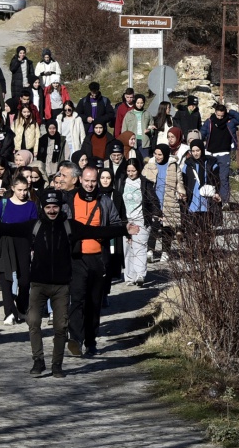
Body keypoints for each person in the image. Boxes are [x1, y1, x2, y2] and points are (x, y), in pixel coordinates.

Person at [0, 188, 118, 377]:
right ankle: (38, 361)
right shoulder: (34, 225)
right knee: (33, 321)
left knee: (60, 326)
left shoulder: (70, 226)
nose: (52, 211)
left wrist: (125, 229)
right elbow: (6, 228)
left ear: (61, 207)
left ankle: (57, 365)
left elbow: (98, 230)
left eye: (55, 207)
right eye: (48, 207)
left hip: (61, 287)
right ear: (43, 207)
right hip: (38, 285)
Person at [68, 164, 130, 357]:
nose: (90, 184)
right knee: (77, 300)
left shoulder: (105, 201)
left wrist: (108, 234)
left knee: (93, 302)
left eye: (93, 181)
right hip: (77, 258)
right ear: (80, 180)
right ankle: (75, 339)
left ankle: (91, 341)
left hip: (98, 258)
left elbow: (116, 223)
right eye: (86, 180)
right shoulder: (69, 201)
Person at [0, 174, 38, 326]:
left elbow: (35, 228)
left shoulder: (31, 206)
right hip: (5, 243)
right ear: (13, 188)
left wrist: (34, 247)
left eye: (25, 190)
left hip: (23, 244)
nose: (23, 193)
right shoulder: (3, 203)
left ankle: (22, 306)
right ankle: (9, 312)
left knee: (24, 280)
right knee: (6, 279)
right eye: (20, 190)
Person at [112, 156, 157, 285]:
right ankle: (130, 276)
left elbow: (153, 200)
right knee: (127, 249)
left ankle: (140, 275)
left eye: (133, 171)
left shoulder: (145, 183)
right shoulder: (121, 182)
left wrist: (156, 213)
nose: (131, 173)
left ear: (139, 170)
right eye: (128, 171)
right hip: (126, 220)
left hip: (141, 219)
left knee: (139, 247)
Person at [200, 102, 239, 207]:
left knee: (223, 177)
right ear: (215, 112)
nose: (220, 118)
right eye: (218, 115)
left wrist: (230, 112)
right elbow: (202, 133)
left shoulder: (230, 121)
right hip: (210, 153)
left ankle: (224, 201)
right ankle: (209, 199)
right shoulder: (209, 122)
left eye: (222, 115)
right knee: (208, 176)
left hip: (224, 153)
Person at [142, 143, 181, 263]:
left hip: (168, 200)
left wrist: (181, 192)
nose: (158, 156)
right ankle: (150, 250)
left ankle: (165, 251)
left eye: (160, 154)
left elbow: (179, 181)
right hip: (154, 200)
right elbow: (143, 182)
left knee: (167, 228)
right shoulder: (150, 165)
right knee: (154, 226)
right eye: (156, 154)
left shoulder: (173, 165)